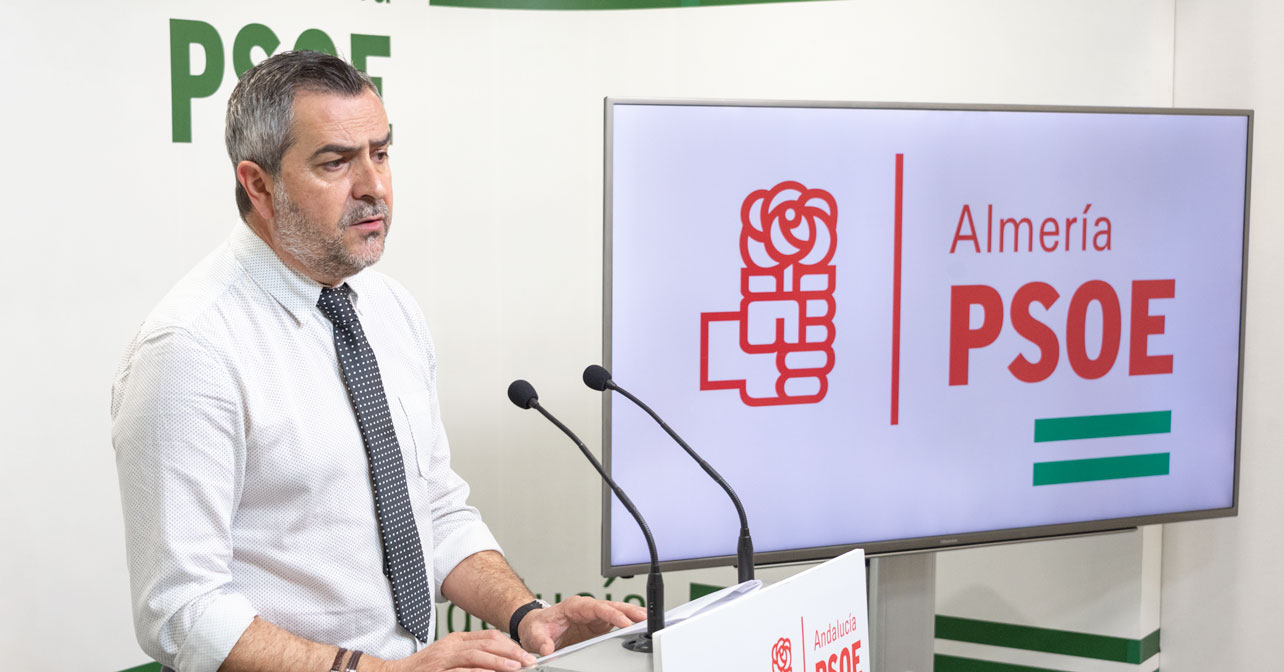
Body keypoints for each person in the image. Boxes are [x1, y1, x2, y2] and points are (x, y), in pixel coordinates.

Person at [111, 50, 644, 672]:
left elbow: (434, 510)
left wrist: (528, 616)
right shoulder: (191, 350)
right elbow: (181, 609)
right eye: (336, 162)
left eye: (381, 153)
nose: (373, 187)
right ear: (259, 185)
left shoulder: (389, 308)